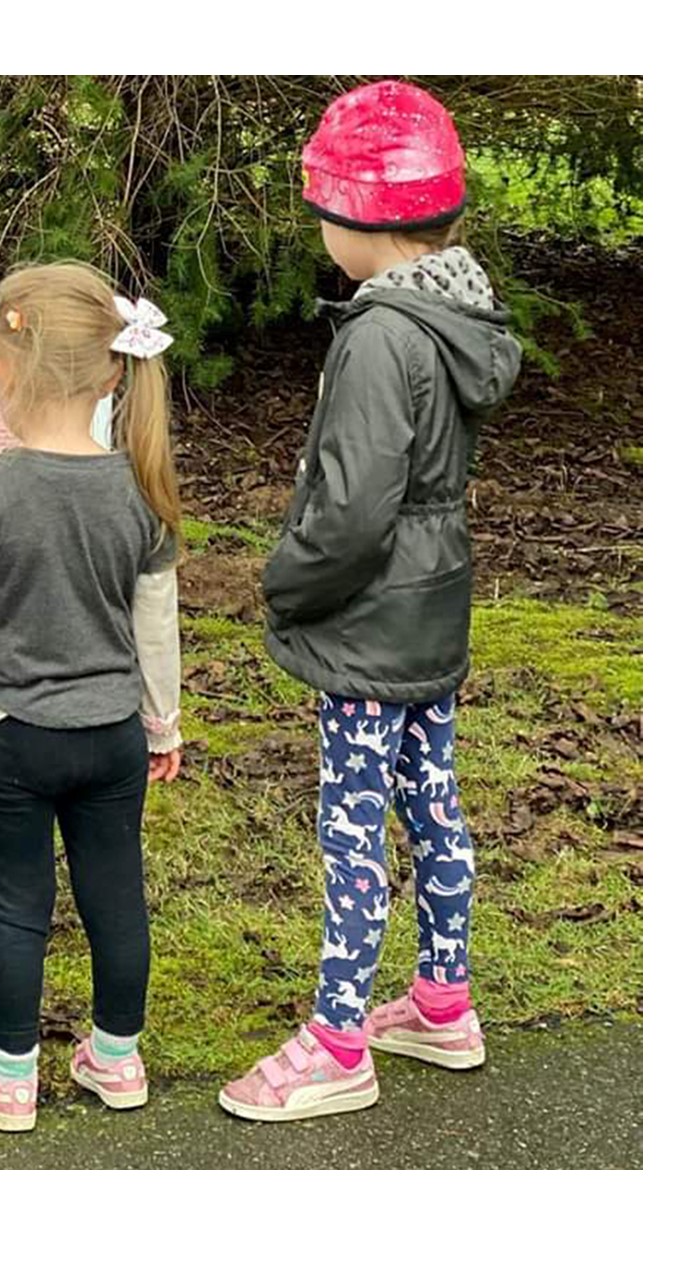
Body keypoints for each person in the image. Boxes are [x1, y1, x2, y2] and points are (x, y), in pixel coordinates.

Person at [218, 81, 522, 1123]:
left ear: (360, 217)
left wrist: (283, 580)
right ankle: (444, 1000)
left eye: (320, 208)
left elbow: (349, 512)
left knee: (351, 821)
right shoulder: (455, 313)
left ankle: (338, 1040)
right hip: (433, 602)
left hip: (367, 614)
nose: (317, 227)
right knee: (431, 797)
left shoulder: (381, 336)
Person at [0, 262, 185, 1133]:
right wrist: (164, 722)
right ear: (113, 375)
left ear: (4, 370)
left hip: (12, 741)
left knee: (17, 905)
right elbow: (157, 631)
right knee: (116, 896)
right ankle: (116, 1058)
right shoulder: (142, 491)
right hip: (111, 740)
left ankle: (11, 1077)